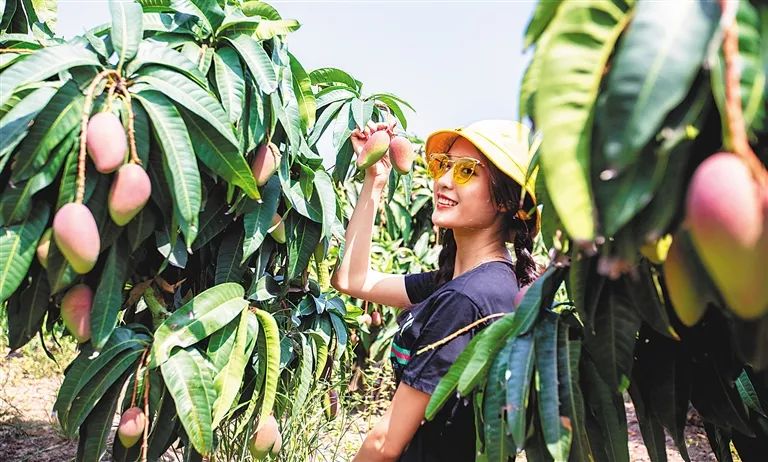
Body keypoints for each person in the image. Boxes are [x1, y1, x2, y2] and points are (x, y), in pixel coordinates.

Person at [331, 119, 540, 462]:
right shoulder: (464, 282)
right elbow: (354, 280)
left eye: (467, 172)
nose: (442, 181)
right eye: (443, 166)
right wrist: (376, 179)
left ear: (505, 200)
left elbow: (385, 444)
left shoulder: (467, 299)